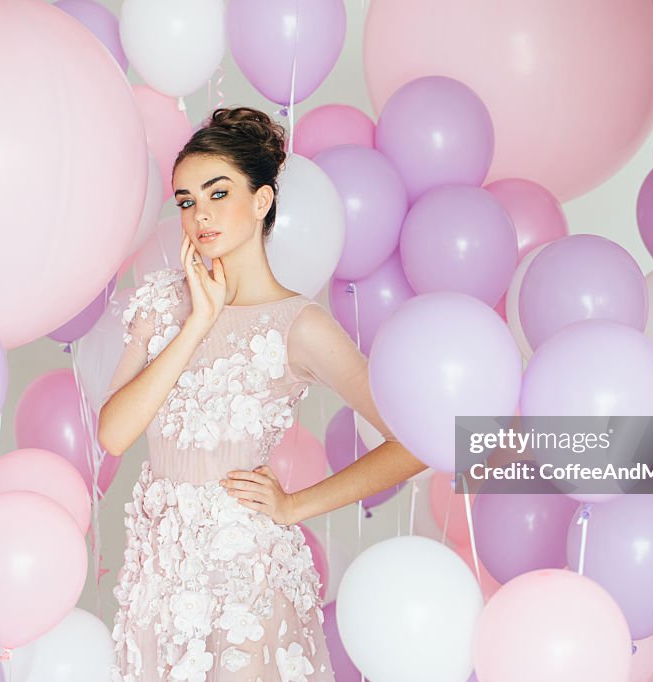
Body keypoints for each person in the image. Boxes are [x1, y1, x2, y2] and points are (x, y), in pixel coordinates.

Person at [97, 106, 427, 682]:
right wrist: (199, 321)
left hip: (244, 582)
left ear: (263, 200)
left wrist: (296, 505)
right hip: (157, 580)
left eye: (217, 193)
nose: (199, 215)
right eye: (185, 200)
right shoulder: (160, 303)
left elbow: (415, 441)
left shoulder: (298, 325)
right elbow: (114, 433)